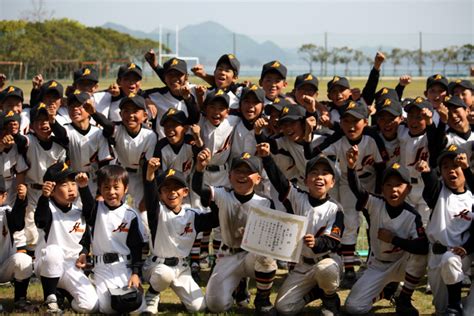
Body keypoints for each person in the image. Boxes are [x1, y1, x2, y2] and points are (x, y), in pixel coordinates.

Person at [257, 142, 344, 316]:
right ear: (305, 180)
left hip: (326, 261)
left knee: (326, 269)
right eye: (314, 173)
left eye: (325, 173)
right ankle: (316, 293)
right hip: (303, 265)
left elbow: (333, 241)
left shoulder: (336, 209)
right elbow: (280, 182)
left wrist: (317, 242)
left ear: (332, 182)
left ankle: (330, 298)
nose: (319, 177)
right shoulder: (298, 198)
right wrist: (266, 158)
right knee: (284, 308)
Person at [344, 147, 428, 315]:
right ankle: (388, 292)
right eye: (388, 185)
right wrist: (351, 168)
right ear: (382, 188)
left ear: (408, 189)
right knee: (354, 308)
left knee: (421, 254)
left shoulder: (412, 215)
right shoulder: (376, 203)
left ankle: (404, 298)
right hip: (378, 265)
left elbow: (423, 247)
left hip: (402, 263)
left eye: (399, 185)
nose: (393, 189)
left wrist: (394, 239)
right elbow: (359, 192)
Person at [192, 150, 277, 314]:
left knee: (266, 255)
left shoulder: (265, 202)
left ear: (258, 178)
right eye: (238, 170)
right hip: (228, 254)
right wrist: (199, 169)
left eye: (248, 171)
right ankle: (238, 287)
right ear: (229, 175)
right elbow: (198, 188)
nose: (242, 175)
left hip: (253, 256)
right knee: (216, 305)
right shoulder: (223, 194)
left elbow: (271, 238)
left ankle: (263, 299)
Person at [141, 159, 219, 314]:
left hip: (182, 268)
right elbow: (150, 198)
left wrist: (210, 200)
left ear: (185, 192)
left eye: (177, 188)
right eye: (166, 188)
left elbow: (215, 219)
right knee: (164, 274)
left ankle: (182, 296)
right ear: (160, 193)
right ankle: (152, 293)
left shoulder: (193, 215)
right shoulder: (157, 212)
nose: (172, 192)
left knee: (199, 307)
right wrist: (149, 174)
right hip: (157, 266)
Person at [81, 165, 147, 314]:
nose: (111, 192)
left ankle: (144, 294)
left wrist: (136, 273)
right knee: (107, 308)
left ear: (126, 188)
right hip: (101, 267)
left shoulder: (131, 214)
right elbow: (87, 210)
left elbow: (136, 247)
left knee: (137, 309)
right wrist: (84, 187)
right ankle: (93, 283)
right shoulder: (96, 209)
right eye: (106, 187)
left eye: (116, 187)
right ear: (100, 189)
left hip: (124, 266)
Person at [34, 162, 98, 313]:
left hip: (71, 266)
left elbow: (91, 219)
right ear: (52, 189)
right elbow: (40, 220)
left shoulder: (78, 211)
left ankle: (64, 292)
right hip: (47, 263)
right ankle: (50, 300)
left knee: (91, 306)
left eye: (73, 183)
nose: (71, 188)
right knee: (54, 252)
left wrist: (84, 188)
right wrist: (44, 197)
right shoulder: (47, 207)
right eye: (63, 184)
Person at [417, 146, 474, 315]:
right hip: (437, 255)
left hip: (461, 255)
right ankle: (457, 304)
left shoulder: (472, 198)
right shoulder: (439, 193)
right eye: (446, 166)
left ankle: (456, 305)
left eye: (455, 166)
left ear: (464, 168)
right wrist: (427, 173)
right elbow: (431, 186)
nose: (451, 170)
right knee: (441, 310)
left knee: (450, 260)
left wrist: (467, 169)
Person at [0, 176, 33, 312]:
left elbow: (18, 224)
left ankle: (20, 300)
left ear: (4, 196)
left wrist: (21, 201)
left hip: (5, 267)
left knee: (24, 259)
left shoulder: (6, 212)